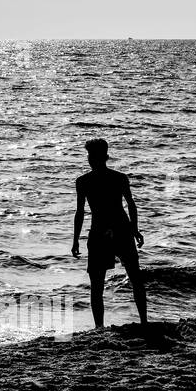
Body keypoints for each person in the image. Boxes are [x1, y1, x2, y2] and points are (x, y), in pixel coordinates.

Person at [72, 138, 148, 329]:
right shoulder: (118, 178)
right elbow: (131, 205)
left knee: (99, 284)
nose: (89, 159)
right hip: (119, 229)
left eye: (90, 155)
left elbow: (80, 212)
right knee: (134, 279)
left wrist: (75, 241)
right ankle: (143, 323)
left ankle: (100, 328)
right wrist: (135, 229)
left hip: (103, 231)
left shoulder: (84, 181)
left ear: (99, 157)